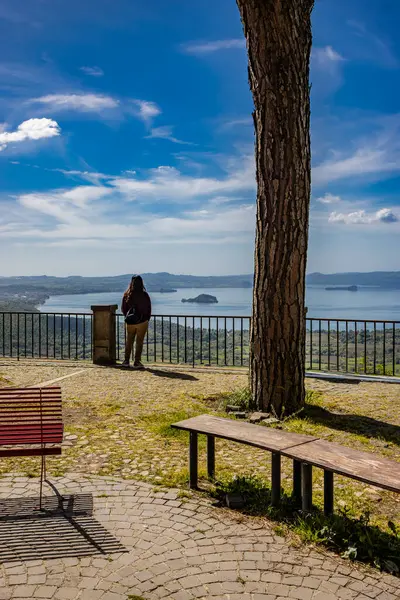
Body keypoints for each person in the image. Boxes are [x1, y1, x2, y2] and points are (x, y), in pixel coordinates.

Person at [121, 275, 151, 368]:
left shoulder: (127, 294)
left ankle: (126, 361)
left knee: (129, 341)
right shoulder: (144, 295)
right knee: (139, 342)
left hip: (130, 322)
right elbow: (148, 309)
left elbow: (123, 309)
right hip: (142, 322)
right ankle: (137, 362)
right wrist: (146, 319)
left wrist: (129, 317)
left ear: (131, 283)